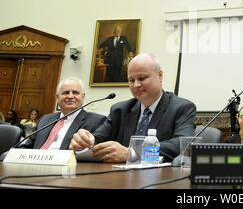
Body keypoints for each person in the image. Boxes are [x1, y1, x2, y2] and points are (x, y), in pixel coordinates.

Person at [69, 53, 197, 163]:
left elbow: (184, 145)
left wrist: (132, 153)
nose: (136, 85)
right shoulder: (120, 110)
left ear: (160, 75)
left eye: (142, 78)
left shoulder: (182, 107)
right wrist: (83, 143)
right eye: (131, 80)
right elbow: (97, 141)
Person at [17, 77, 106, 150]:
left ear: (83, 97)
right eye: (65, 93)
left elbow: (94, 152)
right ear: (57, 97)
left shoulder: (97, 121)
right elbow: (26, 145)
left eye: (75, 92)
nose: (70, 96)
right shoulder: (45, 120)